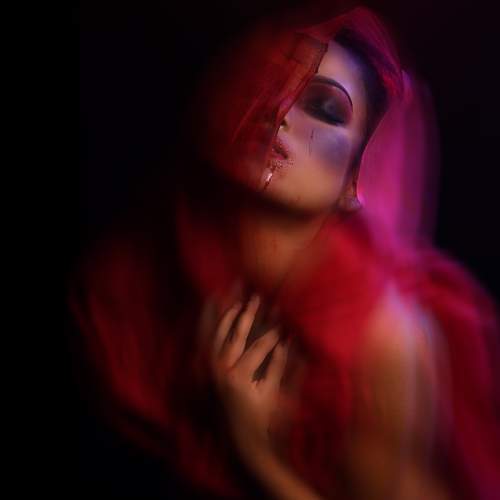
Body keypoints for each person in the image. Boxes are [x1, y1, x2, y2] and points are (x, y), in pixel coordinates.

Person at [70, 4, 500, 499]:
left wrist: (255, 450)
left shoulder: (386, 337)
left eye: (324, 107)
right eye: (273, 86)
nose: (280, 112)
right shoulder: (142, 271)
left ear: (354, 179)